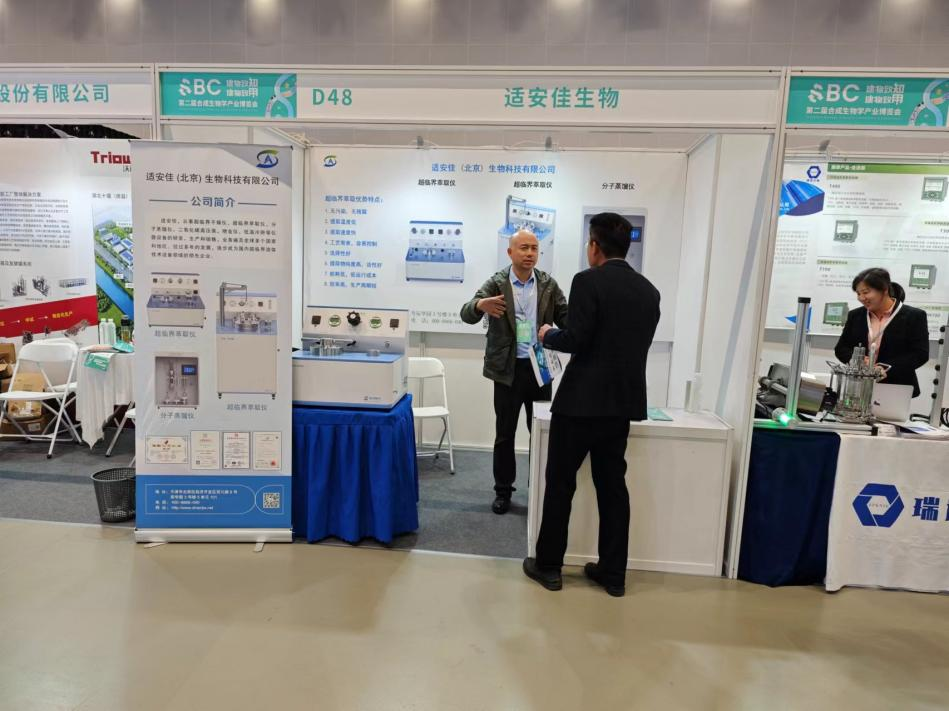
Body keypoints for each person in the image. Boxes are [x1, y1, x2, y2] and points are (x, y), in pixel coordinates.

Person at [522, 212, 660, 597]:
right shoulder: (649, 291)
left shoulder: (587, 281)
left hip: (580, 404)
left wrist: (549, 334)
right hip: (622, 404)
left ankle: (549, 566)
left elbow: (577, 339)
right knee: (612, 488)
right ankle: (613, 574)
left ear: (594, 247)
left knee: (560, 484)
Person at [460, 229, 568, 514]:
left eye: (534, 248)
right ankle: (503, 491)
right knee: (505, 433)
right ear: (510, 252)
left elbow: (566, 317)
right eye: (523, 248)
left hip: (539, 367)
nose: (530, 253)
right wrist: (480, 305)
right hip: (507, 369)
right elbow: (466, 313)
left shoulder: (547, 284)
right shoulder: (497, 282)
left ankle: (539, 490)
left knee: (541, 433)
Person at [835, 267, 930, 397]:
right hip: (859, 386)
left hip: (896, 387)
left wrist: (886, 368)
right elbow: (841, 348)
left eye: (866, 292)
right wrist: (858, 359)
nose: (861, 298)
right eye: (858, 294)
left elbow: (920, 354)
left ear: (884, 290)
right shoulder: (855, 315)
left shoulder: (914, 316)